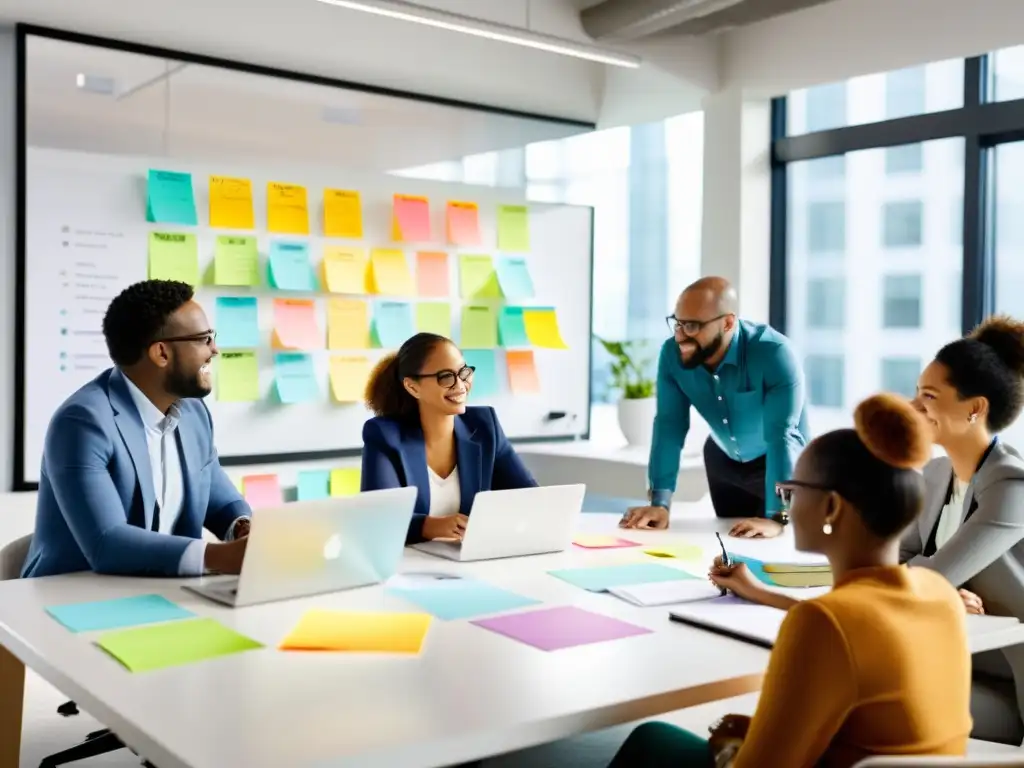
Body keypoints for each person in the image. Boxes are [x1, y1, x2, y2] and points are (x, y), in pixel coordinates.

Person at [608, 394, 972, 768]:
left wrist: (731, 746)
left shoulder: (824, 623)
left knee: (651, 741)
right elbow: (859, 625)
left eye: (792, 492)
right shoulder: (939, 594)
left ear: (830, 507)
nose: (785, 507)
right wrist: (761, 592)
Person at [21, 280, 251, 578]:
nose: (214, 350)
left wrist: (245, 529)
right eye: (203, 339)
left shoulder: (193, 413)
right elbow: (107, 543)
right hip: (70, 599)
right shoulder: (82, 422)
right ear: (161, 353)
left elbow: (221, 502)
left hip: (159, 590)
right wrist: (220, 557)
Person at [901, 315, 1024, 744]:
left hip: (1005, 684)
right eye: (917, 393)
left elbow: (921, 576)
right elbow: (896, 563)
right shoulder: (935, 474)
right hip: (948, 660)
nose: (914, 407)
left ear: (975, 409)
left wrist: (934, 584)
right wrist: (942, 591)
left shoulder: (1012, 487)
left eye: (929, 396)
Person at [621, 276, 809, 539]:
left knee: (778, 542)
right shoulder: (671, 355)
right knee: (725, 542)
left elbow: (782, 436)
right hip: (722, 461)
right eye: (677, 323)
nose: (679, 336)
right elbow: (669, 425)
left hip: (779, 464)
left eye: (691, 326)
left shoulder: (774, 353)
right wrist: (659, 505)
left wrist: (778, 517)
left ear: (728, 323)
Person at [361, 333, 537, 544]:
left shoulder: (484, 426)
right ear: (413, 387)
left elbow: (528, 497)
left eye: (463, 372)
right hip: (406, 565)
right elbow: (378, 518)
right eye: (445, 377)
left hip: (466, 561)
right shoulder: (385, 435)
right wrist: (430, 526)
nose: (460, 385)